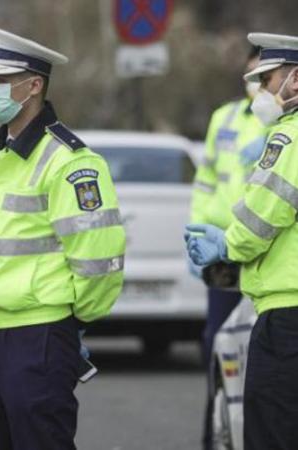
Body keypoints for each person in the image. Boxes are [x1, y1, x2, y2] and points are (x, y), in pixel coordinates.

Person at [0, 24, 126, 450]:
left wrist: (73, 323)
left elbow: (98, 258)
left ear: (34, 85)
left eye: (0, 79)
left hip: (41, 335)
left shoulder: (70, 162)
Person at [186, 32, 298, 450]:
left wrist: (226, 244)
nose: (260, 91)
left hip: (287, 311)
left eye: (267, 80)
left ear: (296, 80)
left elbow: (261, 218)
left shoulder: (289, 136)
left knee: (271, 431)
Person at [188, 45, 267, 450]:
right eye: (252, 75)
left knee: (262, 347)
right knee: (218, 344)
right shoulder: (225, 118)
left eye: (264, 75)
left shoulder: (283, 122)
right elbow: (205, 180)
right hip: (223, 254)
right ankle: (214, 437)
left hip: (265, 251)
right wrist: (199, 233)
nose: (257, 84)